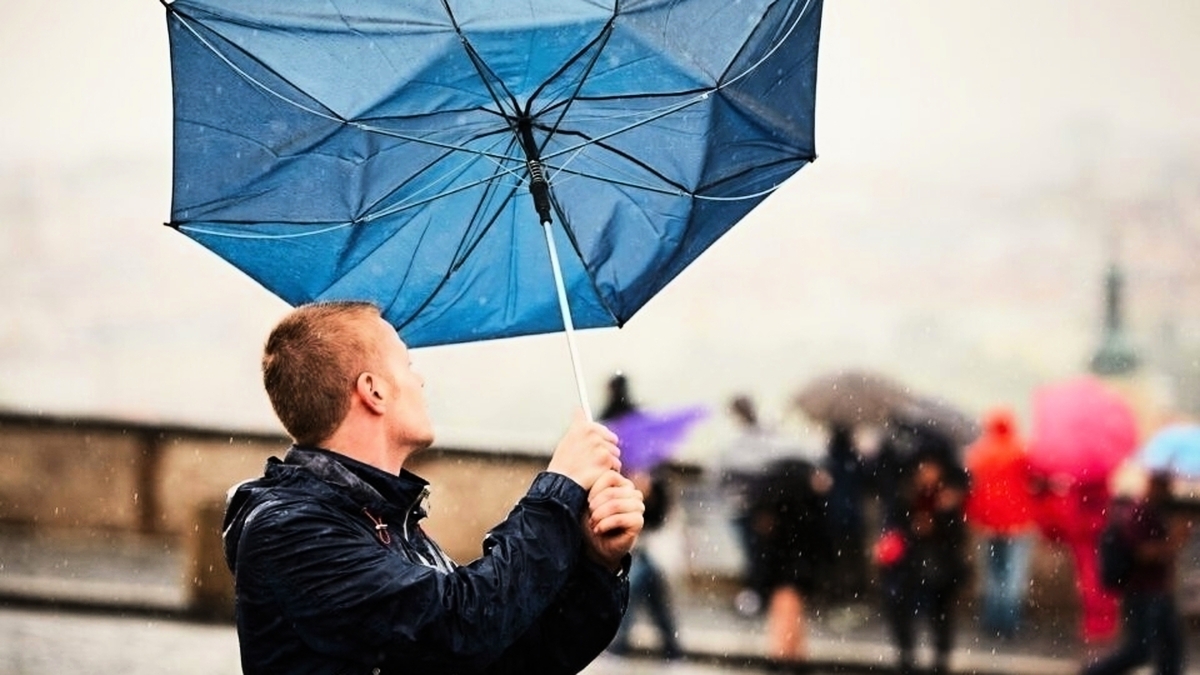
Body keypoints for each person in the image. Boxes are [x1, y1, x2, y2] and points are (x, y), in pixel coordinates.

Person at [222, 301, 645, 674]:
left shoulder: (383, 518)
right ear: (373, 390)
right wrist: (560, 488)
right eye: (406, 365)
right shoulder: (290, 529)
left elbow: (510, 657)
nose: (419, 380)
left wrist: (595, 565)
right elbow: (462, 625)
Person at [600, 373, 683, 660]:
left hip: (643, 536)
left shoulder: (609, 427)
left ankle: (620, 644)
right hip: (645, 536)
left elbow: (655, 508)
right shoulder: (642, 435)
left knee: (634, 586)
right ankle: (672, 650)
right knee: (649, 589)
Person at [1080, 471, 1188, 675]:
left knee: (1170, 648)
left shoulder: (1154, 512)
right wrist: (1174, 541)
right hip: (1143, 592)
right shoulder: (1140, 514)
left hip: (1158, 592)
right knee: (1140, 649)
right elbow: (1143, 553)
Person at [875, 449, 969, 675]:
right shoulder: (904, 496)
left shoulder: (948, 498)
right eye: (924, 468)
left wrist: (940, 520)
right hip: (909, 566)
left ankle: (940, 659)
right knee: (901, 611)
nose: (927, 474)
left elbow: (958, 536)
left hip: (941, 565)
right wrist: (913, 530)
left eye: (932, 468)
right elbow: (893, 528)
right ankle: (906, 657)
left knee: (941, 615)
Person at [745, 456, 833, 665]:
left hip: (783, 567)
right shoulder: (801, 497)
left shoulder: (775, 499)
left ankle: (785, 659)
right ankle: (787, 660)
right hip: (792, 567)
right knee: (788, 611)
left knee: (787, 613)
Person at [963, 407, 1036, 640]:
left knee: (992, 574)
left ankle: (991, 620)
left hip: (988, 524)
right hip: (1018, 523)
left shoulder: (978, 453)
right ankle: (1009, 623)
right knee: (1013, 575)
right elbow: (1035, 480)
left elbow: (971, 489)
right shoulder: (1020, 451)